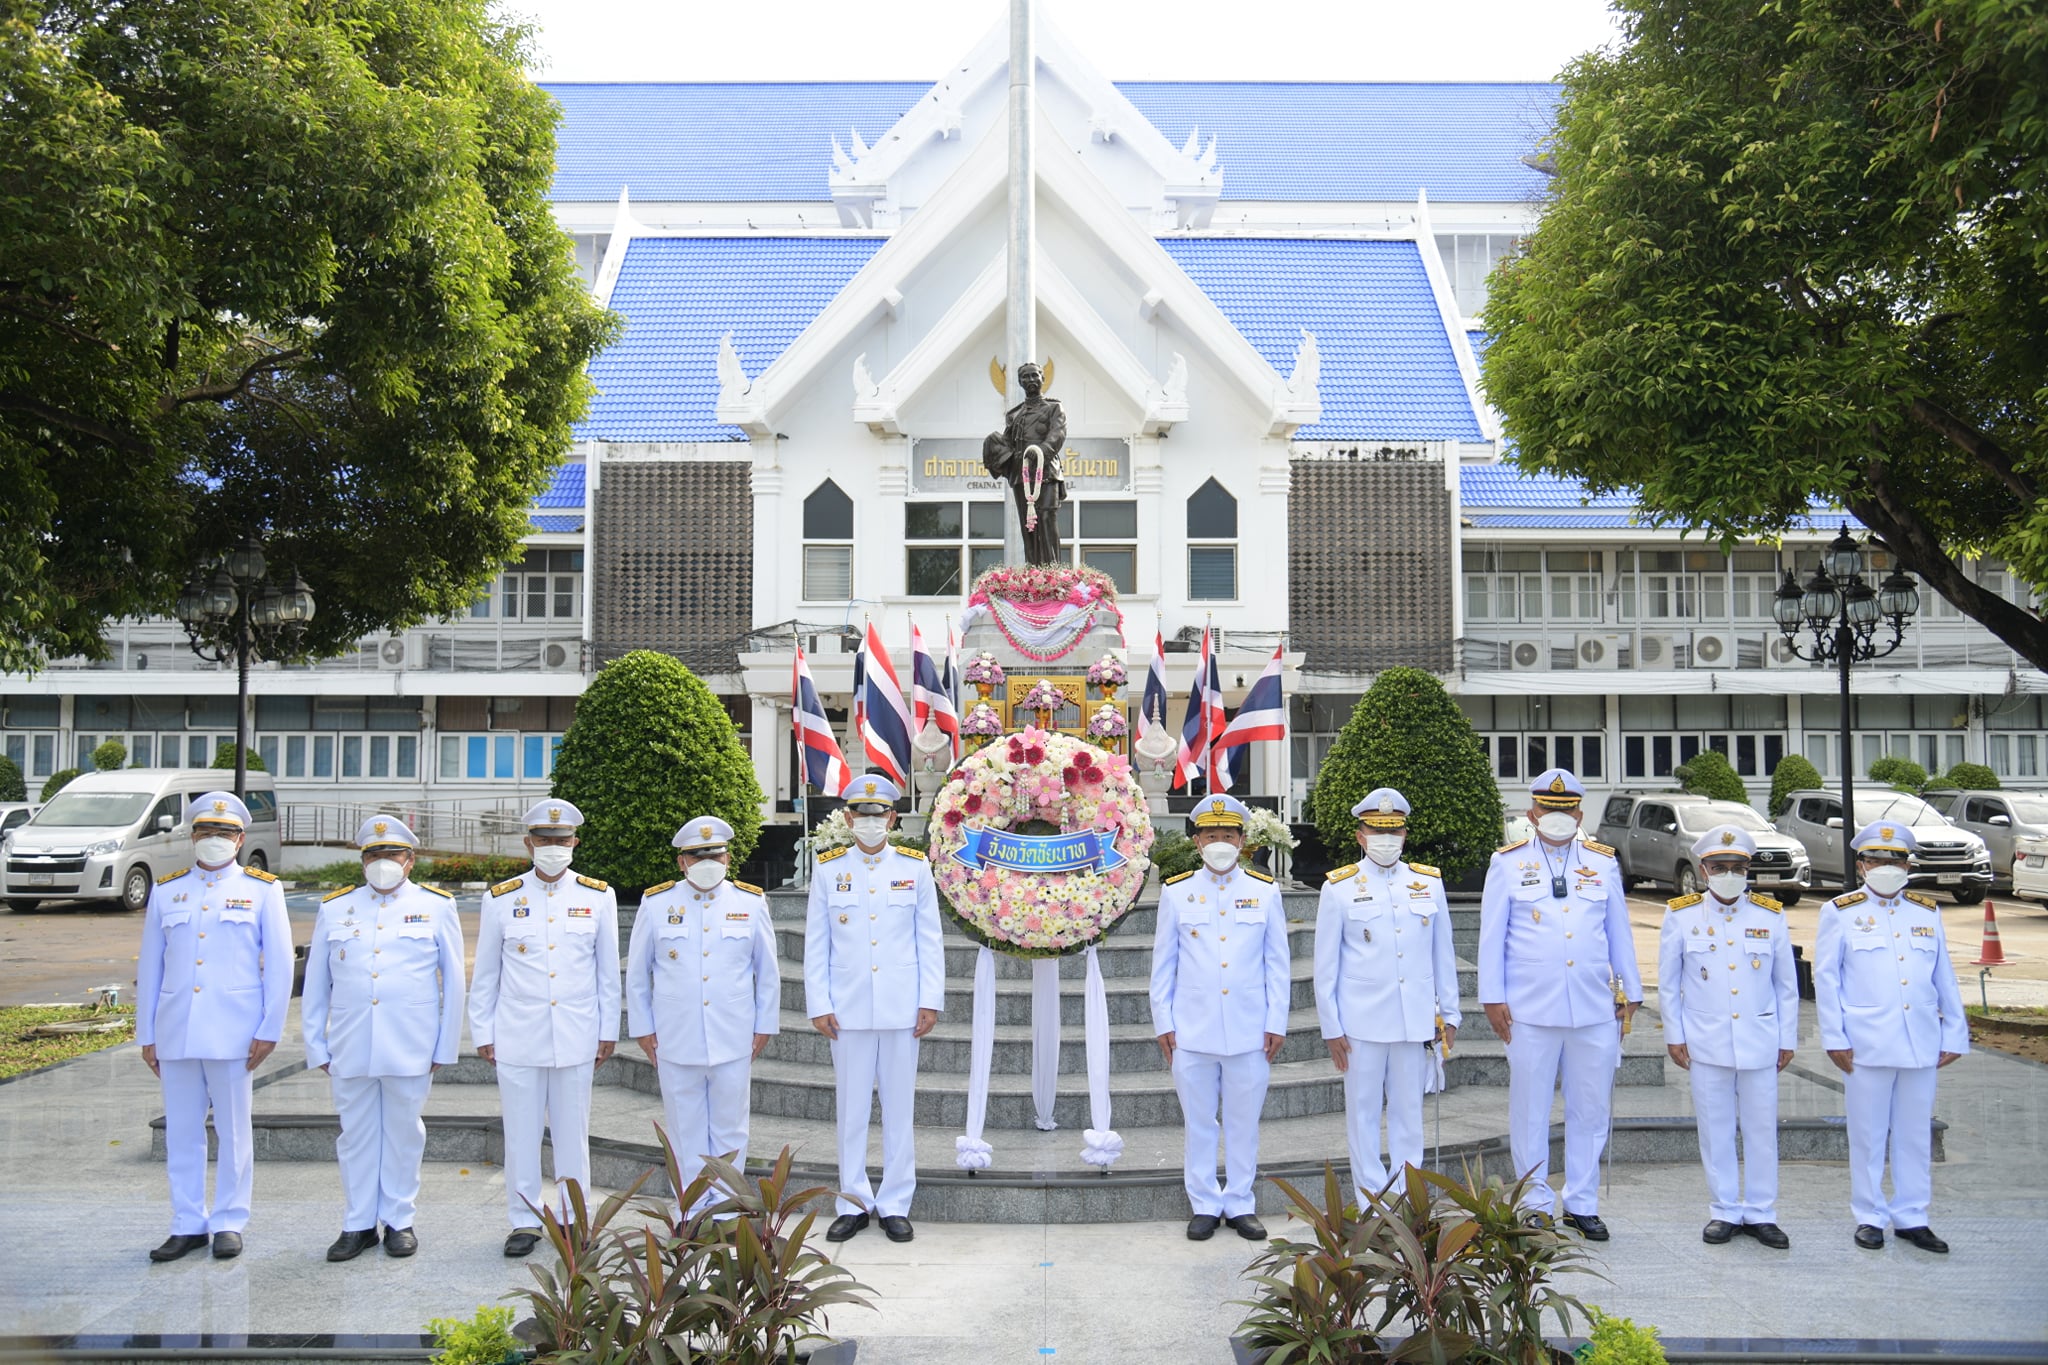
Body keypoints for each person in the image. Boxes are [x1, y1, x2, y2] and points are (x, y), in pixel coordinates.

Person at [1477, 767, 1641, 1240]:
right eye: (1549, 809)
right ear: (1532, 813)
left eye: (1566, 809)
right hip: (1529, 1008)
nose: (1557, 816)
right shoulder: (1507, 863)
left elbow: (1618, 933)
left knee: (1590, 1107)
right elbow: (1492, 937)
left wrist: (1630, 992)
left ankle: (1582, 1201)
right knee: (1529, 1107)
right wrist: (1492, 997)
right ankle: (1534, 1202)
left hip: (1593, 1007)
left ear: (1580, 813)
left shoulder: (1603, 862)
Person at [135, 792, 294, 1262]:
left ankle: (228, 1220)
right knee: (182, 1131)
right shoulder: (167, 891)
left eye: (225, 833)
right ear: (192, 835)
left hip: (235, 1032)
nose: (215, 840)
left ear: (241, 838)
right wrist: (148, 1034)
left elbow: (280, 967)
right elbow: (152, 966)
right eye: (206, 831)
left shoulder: (263, 889)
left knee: (233, 1130)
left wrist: (270, 1028)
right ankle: (186, 1222)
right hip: (177, 1029)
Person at [301, 816, 465, 1261]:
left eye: (391, 854)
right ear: (362, 861)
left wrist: (444, 1046)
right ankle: (357, 1224)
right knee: (354, 1136)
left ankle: (399, 1220)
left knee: (403, 1134)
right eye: (373, 855)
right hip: (350, 1043)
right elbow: (316, 983)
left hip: (410, 1043)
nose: (381, 862)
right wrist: (316, 1042)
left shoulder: (436, 906)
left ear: (410, 861)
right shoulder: (336, 908)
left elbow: (454, 981)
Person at [470, 800, 620, 1257]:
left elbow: (607, 972)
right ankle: (524, 1220)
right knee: (520, 1133)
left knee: (573, 1132)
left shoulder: (598, 896)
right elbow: (486, 973)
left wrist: (607, 1030)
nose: (553, 847)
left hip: (576, 1033)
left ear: (575, 842)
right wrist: (483, 1032)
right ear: (528, 843)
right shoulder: (500, 898)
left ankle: (576, 1218)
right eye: (545, 840)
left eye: (562, 840)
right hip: (517, 1035)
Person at [1814, 820, 1968, 1254]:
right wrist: (1834, 1037)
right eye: (1877, 859)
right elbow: (1827, 981)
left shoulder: (1926, 910)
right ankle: (1869, 1215)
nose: (1886, 866)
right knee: (1867, 1133)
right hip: (1865, 1041)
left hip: (1920, 1039)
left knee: (1914, 1132)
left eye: (1895, 860)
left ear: (1907, 865)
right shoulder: (1840, 911)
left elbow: (1943, 976)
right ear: (1861, 865)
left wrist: (1955, 1032)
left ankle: (1912, 1215)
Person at [804, 775, 943, 1243]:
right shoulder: (827, 869)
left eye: (877, 814)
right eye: (860, 814)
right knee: (852, 1110)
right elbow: (816, 943)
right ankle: (854, 1200)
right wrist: (819, 1003)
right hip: (847, 1009)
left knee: (900, 1110)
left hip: (902, 1007)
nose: (869, 822)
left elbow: (930, 940)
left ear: (892, 818)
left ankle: (896, 1202)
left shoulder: (915, 867)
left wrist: (930, 1000)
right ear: (847, 818)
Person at [1151, 794, 1290, 1241]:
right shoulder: (1176, 891)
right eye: (1211, 835)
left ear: (1243, 840)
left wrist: (1276, 1022)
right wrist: (1163, 1022)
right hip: (1192, 1029)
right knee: (1199, 1122)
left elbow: (1278, 965)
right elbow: (1163, 966)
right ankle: (1205, 1203)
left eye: (1227, 835)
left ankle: (1241, 1202)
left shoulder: (1264, 891)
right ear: (1197, 841)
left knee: (1244, 1122)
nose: (1219, 843)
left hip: (1250, 1029)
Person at [1312, 787, 1460, 1201]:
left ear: (1405, 834)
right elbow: (1325, 967)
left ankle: (1408, 1197)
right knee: (1362, 1115)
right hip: (1360, 1023)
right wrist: (1331, 1027)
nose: (1385, 839)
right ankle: (1370, 1201)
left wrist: (1450, 1014)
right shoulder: (1339, 888)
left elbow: (1442, 954)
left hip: (1414, 1021)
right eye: (1376, 830)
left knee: (1408, 1114)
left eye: (1393, 830)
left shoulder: (1427, 883)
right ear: (1360, 835)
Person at [627, 815, 779, 1217]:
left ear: (729, 857)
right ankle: (691, 1211)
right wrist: (642, 1028)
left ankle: (728, 1209)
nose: (708, 860)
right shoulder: (657, 903)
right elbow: (638, 974)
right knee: (684, 1131)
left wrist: (765, 1025)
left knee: (731, 1128)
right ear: (682, 862)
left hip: (733, 1036)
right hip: (675, 1038)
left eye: (715, 853)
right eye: (698, 855)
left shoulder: (749, 902)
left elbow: (768, 972)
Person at [1657, 825, 1797, 1249]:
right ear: (1703, 869)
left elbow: (1785, 984)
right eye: (1720, 867)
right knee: (1715, 1129)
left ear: (1748, 869)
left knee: (1760, 1129)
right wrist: (1674, 1036)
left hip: (1759, 1038)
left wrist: (1786, 1037)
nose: (1729, 874)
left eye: (1737, 867)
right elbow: (1668, 984)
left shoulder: (1770, 914)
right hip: (1705, 1040)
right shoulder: (1680, 914)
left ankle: (1760, 1212)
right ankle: (1723, 1210)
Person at [981, 360, 1068, 565]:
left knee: (1046, 519)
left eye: (1034, 375)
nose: (1030, 380)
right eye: (1025, 377)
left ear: (1042, 378)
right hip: (1022, 476)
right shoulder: (1014, 414)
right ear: (1020, 382)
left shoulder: (1054, 407)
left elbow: (1058, 434)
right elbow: (1008, 441)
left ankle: (1052, 571)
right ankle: (1033, 569)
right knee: (1028, 525)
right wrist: (995, 448)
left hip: (1047, 473)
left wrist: (1040, 452)